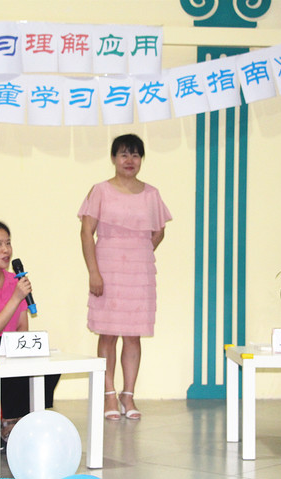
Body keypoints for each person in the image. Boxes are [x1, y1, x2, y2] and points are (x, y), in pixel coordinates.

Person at [78, 134, 172, 420]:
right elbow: (86, 232)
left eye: (135, 155)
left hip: (139, 272)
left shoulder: (151, 194)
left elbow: (159, 232)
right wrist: (94, 271)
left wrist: (138, 252)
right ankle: (108, 394)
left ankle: (127, 395)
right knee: (107, 334)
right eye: (123, 154)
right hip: (107, 268)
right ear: (113, 158)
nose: (130, 160)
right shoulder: (100, 190)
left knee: (133, 335)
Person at [0, 220, 59, 447]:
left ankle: (25, 420)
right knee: (3, 362)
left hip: (8, 344)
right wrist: (16, 297)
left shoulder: (13, 281)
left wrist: (23, 349)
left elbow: (22, 327)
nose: (6, 250)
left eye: (8, 243)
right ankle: (9, 423)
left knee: (48, 366)